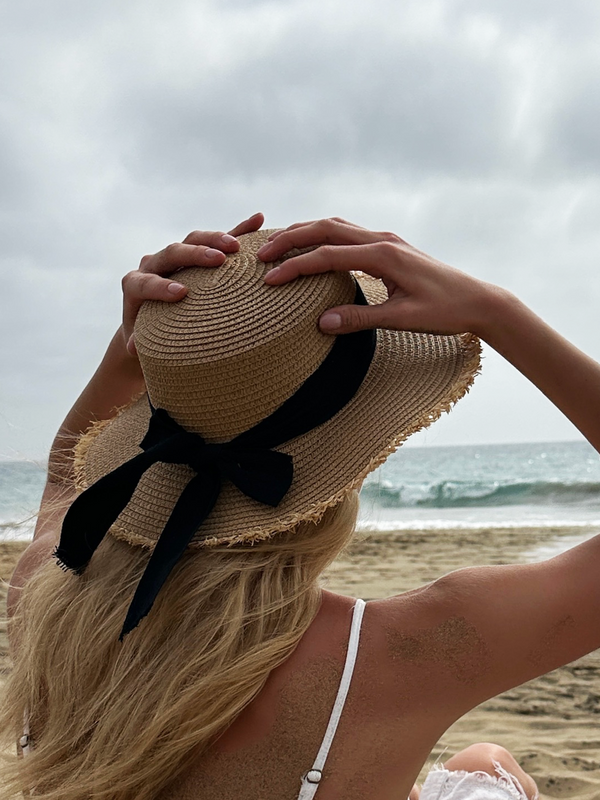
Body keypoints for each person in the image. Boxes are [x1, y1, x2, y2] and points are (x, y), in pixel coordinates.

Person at [2, 212, 599, 800]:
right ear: (359, 442)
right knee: (487, 764)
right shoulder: (396, 655)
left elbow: (65, 472)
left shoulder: (50, 587)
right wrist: (496, 311)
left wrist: (143, 346)